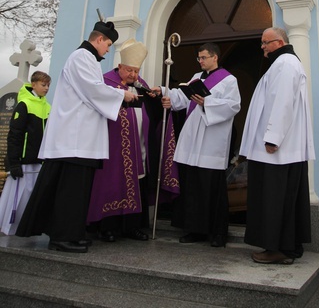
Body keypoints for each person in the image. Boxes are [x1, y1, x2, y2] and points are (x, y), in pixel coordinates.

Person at [16, 20, 137, 253]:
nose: (108, 49)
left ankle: (70, 233)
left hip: (81, 139)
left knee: (76, 190)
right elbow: (93, 89)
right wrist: (123, 95)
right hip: (73, 138)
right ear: (99, 39)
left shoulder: (87, 59)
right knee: (69, 190)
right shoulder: (82, 57)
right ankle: (62, 236)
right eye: (108, 44)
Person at [239, 27, 315, 265]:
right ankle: (288, 246)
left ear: (279, 42)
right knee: (282, 198)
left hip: (276, 150)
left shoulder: (285, 64)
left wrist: (273, 137)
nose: (262, 47)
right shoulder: (284, 63)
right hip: (280, 150)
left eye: (265, 42)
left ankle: (279, 248)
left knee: (275, 199)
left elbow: (283, 102)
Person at [160, 42, 240, 248]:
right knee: (193, 188)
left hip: (211, 140)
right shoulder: (196, 77)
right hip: (192, 138)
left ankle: (217, 233)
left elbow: (233, 106)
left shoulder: (229, 80)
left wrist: (208, 103)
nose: (201, 61)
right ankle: (194, 229)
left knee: (211, 188)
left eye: (204, 57)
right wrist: (164, 94)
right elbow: (182, 97)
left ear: (215, 57)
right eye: (199, 58)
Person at [87, 38, 164, 242]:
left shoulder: (141, 86)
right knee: (112, 184)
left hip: (139, 147)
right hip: (113, 147)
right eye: (129, 70)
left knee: (137, 184)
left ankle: (132, 227)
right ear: (119, 66)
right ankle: (108, 227)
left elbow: (154, 113)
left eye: (136, 71)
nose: (133, 75)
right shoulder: (105, 83)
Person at [0, 71, 51, 235]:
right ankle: (10, 227)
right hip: (23, 162)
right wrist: (13, 162)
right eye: (43, 85)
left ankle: (26, 227)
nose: (47, 88)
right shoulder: (24, 105)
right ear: (33, 84)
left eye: (48, 85)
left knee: (31, 198)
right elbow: (15, 134)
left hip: (39, 161)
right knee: (17, 198)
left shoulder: (47, 107)